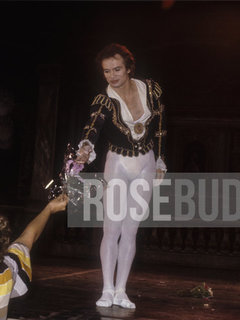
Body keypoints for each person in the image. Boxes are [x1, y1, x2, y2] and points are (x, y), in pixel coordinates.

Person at [76, 43, 167, 309]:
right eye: (106, 71)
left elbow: (160, 126)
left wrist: (160, 160)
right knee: (112, 229)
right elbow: (93, 125)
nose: (112, 75)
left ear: (128, 68)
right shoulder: (103, 99)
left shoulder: (151, 89)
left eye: (117, 69)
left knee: (131, 231)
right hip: (117, 163)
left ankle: (121, 290)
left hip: (146, 163)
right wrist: (85, 146)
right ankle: (106, 289)